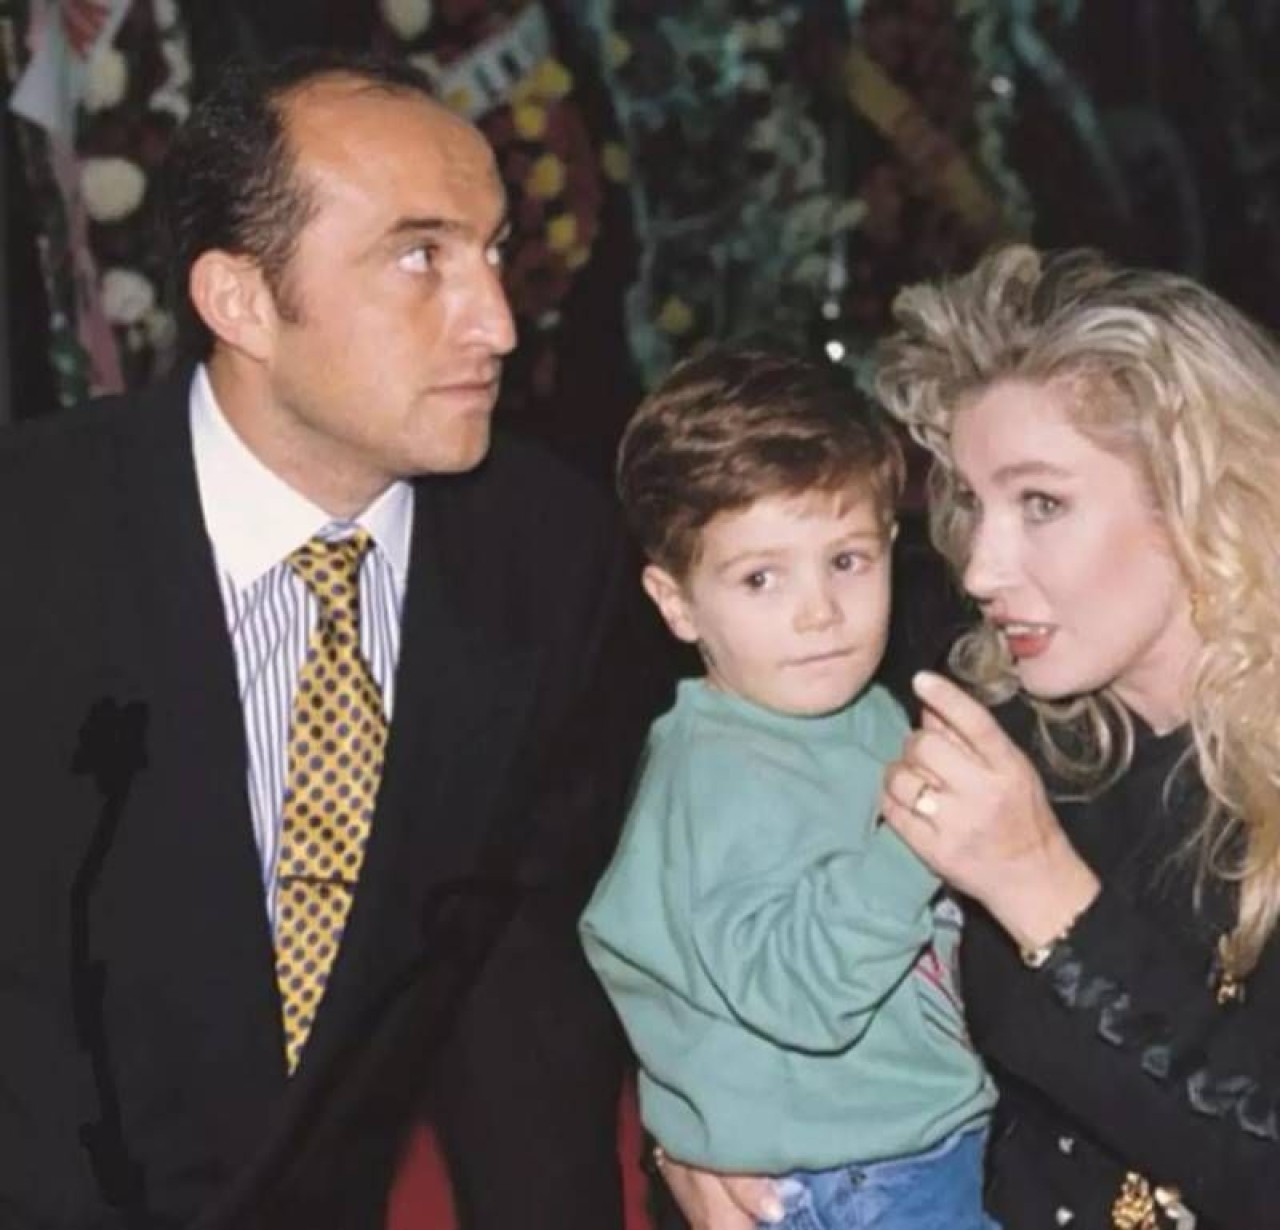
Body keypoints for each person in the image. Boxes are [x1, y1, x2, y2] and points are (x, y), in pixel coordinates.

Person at [0, 49, 661, 1230]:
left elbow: (519, 1006)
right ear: (239, 301)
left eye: (492, 251)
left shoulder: (546, 557)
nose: (498, 323)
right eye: (419, 258)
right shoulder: (34, 538)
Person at [657, 246, 1280, 1230]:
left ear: (1202, 495)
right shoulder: (1005, 733)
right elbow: (728, 949)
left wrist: (1043, 894)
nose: (982, 567)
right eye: (972, 504)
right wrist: (700, 1139)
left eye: (1041, 504)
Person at [581, 346, 997, 1230]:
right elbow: (800, 991)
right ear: (676, 602)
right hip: (852, 1175)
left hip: (909, 1138)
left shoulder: (861, 712)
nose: (819, 612)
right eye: (761, 578)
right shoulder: (719, 776)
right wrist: (920, 835)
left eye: (846, 561)